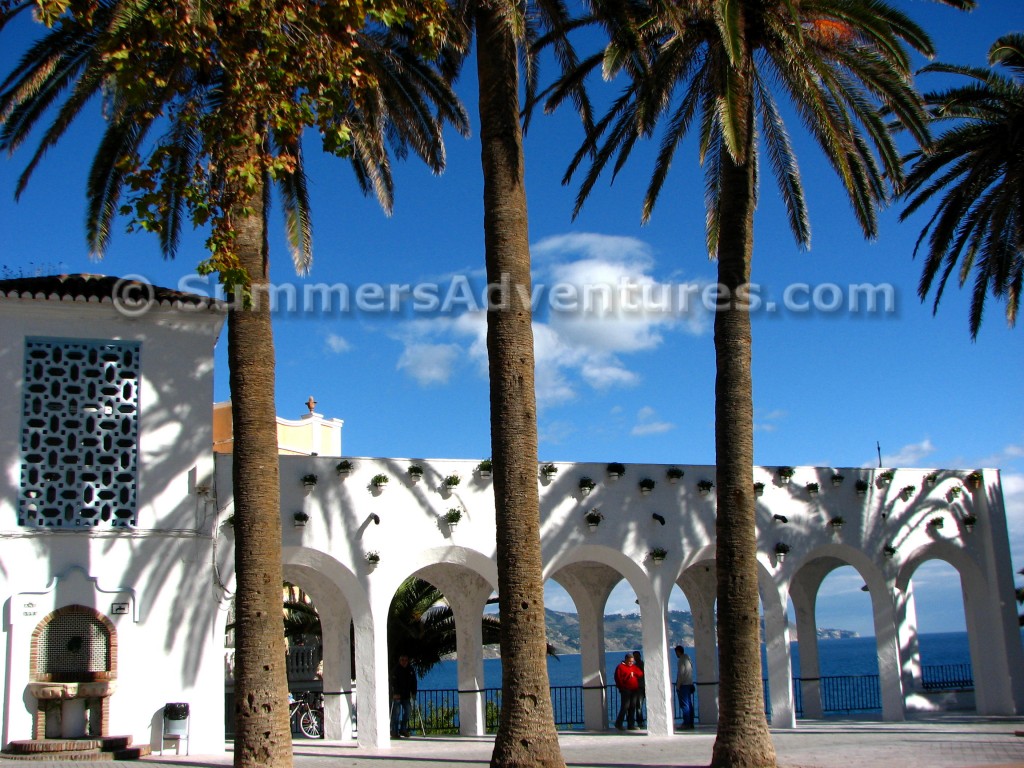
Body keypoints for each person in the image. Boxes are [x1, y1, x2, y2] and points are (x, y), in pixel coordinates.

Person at [613, 652, 643, 731]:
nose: (631, 663)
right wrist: (622, 687)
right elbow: (618, 679)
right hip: (626, 690)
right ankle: (619, 723)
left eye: (632, 661)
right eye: (629, 661)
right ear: (626, 660)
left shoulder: (633, 667)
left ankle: (631, 725)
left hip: (634, 690)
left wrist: (634, 675)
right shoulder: (620, 667)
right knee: (625, 707)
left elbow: (640, 674)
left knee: (632, 707)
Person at [389, 654, 417, 738]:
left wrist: (414, 692)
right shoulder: (395, 670)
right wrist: (395, 693)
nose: (404, 662)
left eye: (405, 660)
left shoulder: (410, 670)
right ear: (399, 660)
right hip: (396, 696)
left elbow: (414, 682)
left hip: (406, 695)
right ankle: (394, 731)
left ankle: (403, 729)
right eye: (402, 660)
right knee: (396, 714)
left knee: (408, 711)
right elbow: (393, 683)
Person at [675, 645, 695, 729]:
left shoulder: (681, 660)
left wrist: (678, 685)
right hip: (689, 683)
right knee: (689, 704)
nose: (676, 654)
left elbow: (681, 674)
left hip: (683, 685)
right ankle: (691, 722)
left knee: (684, 705)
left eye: (676, 652)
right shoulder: (688, 659)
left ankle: (686, 723)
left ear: (678, 652)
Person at [632, 649, 646, 727]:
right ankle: (640, 721)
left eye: (636, 656)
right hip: (639, 687)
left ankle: (640, 721)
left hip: (640, 687)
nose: (636, 658)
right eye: (635, 656)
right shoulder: (641, 665)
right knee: (638, 705)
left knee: (638, 705)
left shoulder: (638, 666)